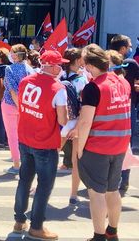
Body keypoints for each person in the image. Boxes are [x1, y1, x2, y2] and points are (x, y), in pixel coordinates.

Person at [76, 44, 131, 241]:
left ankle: (98, 236)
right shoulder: (122, 82)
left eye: (83, 63)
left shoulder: (93, 88)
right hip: (120, 145)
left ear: (90, 65)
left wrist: (80, 149)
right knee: (113, 190)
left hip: (98, 147)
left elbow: (85, 122)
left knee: (96, 193)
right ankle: (112, 231)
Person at [13, 51, 68, 240]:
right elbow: (63, 119)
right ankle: (36, 226)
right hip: (45, 142)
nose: (61, 68)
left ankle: (19, 220)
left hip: (25, 138)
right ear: (51, 66)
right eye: (59, 64)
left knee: (24, 180)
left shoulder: (26, 81)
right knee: (44, 185)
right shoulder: (57, 88)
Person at [109, 34, 139, 195]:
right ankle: (123, 180)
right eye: (128, 47)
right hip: (127, 108)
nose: (130, 49)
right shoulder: (132, 63)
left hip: (107, 110)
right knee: (125, 143)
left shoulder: (103, 61)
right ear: (122, 49)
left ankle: (110, 179)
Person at [59, 48, 89, 205]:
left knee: (50, 157)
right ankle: (73, 194)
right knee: (76, 160)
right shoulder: (81, 80)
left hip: (60, 123)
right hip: (76, 123)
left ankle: (39, 186)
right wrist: (77, 126)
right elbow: (84, 106)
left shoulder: (59, 77)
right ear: (77, 61)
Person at [2, 44, 34, 175]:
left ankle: (16, 164)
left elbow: (13, 90)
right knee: (24, 136)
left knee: (12, 136)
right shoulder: (30, 70)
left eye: (11, 52)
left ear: (15, 55)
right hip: (27, 106)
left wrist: (19, 106)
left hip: (10, 104)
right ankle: (25, 163)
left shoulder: (10, 69)